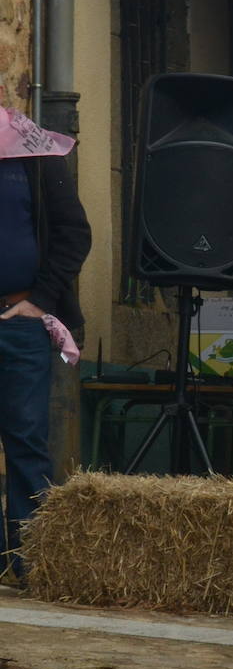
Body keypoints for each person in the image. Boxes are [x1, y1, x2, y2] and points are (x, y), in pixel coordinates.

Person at [0, 105, 89, 581]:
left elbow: (75, 233)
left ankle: (30, 563)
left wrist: (40, 299)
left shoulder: (37, 153)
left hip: (18, 321)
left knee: (26, 441)